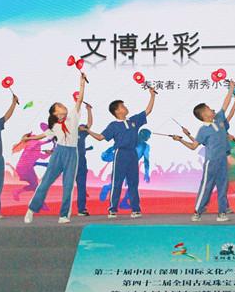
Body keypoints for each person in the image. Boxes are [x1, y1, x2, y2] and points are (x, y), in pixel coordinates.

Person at [22, 73, 86, 224]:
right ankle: (31, 209)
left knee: (68, 185)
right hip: (59, 153)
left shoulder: (73, 116)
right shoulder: (54, 126)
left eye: (63, 105)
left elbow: (79, 100)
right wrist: (27, 139)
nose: (63, 106)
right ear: (55, 113)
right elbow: (41, 136)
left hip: (72, 153)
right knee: (46, 182)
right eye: (59, 106)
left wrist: (82, 83)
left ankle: (64, 215)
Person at [85, 87, 156, 219]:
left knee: (133, 182)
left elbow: (148, 111)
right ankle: (112, 209)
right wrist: (88, 131)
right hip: (121, 154)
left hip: (132, 154)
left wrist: (152, 96)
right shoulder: (113, 125)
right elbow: (100, 137)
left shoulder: (133, 121)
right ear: (117, 111)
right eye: (122, 106)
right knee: (117, 182)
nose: (125, 107)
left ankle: (135, 209)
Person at [172, 80, 235, 222]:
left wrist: (231, 89)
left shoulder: (219, 119)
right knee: (206, 187)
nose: (212, 109)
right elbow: (194, 146)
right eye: (208, 109)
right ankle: (197, 212)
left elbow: (225, 104)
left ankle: (222, 213)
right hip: (211, 162)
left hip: (222, 160)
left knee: (223, 187)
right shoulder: (203, 130)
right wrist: (180, 140)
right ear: (203, 115)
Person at [76, 103, 93, 216]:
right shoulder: (69, 132)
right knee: (67, 186)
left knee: (81, 186)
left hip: (81, 162)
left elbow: (89, 124)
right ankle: (64, 211)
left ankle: (81, 209)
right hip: (70, 161)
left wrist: (89, 110)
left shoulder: (82, 133)